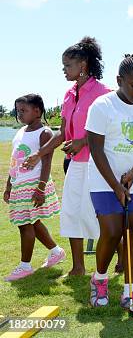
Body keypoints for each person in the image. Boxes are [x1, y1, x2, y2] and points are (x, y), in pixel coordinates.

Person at [23, 36, 115, 276]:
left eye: (67, 65)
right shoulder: (67, 94)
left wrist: (83, 141)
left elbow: (110, 130)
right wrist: (39, 154)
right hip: (75, 164)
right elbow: (63, 132)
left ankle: (121, 257)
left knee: (100, 214)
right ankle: (78, 267)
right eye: (63, 66)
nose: (64, 70)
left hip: (98, 164)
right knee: (73, 212)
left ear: (83, 65)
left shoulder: (103, 93)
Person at [86, 53, 133, 317]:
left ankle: (131, 292)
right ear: (119, 80)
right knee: (111, 231)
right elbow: (96, 150)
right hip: (102, 178)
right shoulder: (102, 106)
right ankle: (99, 280)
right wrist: (116, 186)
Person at [4, 94, 64, 281]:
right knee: (33, 223)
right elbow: (15, 160)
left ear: (37, 111)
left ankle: (25, 266)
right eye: (18, 111)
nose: (19, 114)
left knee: (25, 225)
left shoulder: (44, 133)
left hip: (33, 184)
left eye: (24, 110)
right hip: (19, 184)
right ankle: (56, 252)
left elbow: (46, 163)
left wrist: (40, 188)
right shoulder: (21, 131)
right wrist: (8, 185)